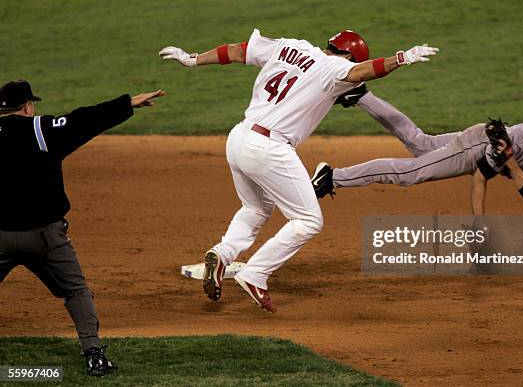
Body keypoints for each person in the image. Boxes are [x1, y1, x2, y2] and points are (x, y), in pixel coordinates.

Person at [159, 30, 439, 312]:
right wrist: (403, 58)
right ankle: (255, 273)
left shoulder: (290, 46)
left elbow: (235, 51)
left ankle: (222, 254)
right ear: (349, 56)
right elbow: (364, 71)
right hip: (270, 148)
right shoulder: (337, 67)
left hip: (239, 137)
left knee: (256, 208)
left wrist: (193, 59)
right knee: (308, 221)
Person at [0, 80, 165, 376]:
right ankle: (94, 355)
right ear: (28, 106)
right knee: (76, 291)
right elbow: (85, 119)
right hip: (46, 239)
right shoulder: (42, 130)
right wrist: (128, 103)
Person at [311, 86, 523, 214]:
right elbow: (480, 177)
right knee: (411, 173)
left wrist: (511, 165)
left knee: (420, 143)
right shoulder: (517, 139)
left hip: (487, 143)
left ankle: (360, 95)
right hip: (477, 147)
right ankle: (333, 177)